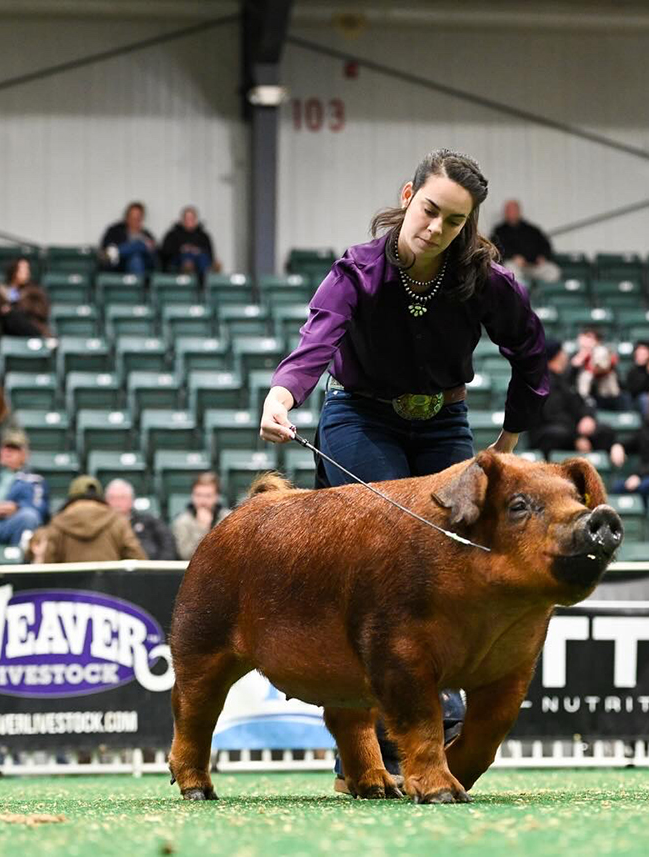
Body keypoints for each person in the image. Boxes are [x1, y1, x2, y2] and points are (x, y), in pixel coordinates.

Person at [259, 149, 547, 794]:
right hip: (359, 417)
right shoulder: (357, 271)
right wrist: (282, 395)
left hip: (445, 421)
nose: (437, 228)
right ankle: (370, 752)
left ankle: (426, 723)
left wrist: (509, 434)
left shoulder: (485, 280)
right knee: (391, 550)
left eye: (455, 221)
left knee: (457, 552)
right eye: (430, 210)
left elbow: (530, 350)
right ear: (408, 195)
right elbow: (317, 339)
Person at [528, 339, 615, 457]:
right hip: (549, 433)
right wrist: (577, 436)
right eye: (563, 352)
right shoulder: (542, 382)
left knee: (605, 431)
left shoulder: (565, 378)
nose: (566, 356)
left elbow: (582, 402)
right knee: (557, 434)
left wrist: (587, 417)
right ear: (557, 355)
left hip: (572, 429)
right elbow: (554, 416)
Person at [31, 476, 147, 563]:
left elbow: (46, 562)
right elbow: (138, 559)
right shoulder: (117, 520)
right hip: (110, 587)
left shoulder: (58, 522)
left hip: (69, 588)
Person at [488, 199, 560, 284]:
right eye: (508, 210)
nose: (511, 213)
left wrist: (543, 256)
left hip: (534, 266)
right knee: (510, 269)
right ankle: (522, 291)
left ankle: (541, 291)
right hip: (515, 266)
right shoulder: (499, 231)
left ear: (519, 211)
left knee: (553, 271)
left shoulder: (532, 229)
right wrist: (512, 257)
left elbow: (546, 245)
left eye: (513, 210)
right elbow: (495, 249)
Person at [106, 478, 178, 561]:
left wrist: (158, 565)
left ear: (131, 500)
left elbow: (168, 543)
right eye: (112, 498)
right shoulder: (103, 525)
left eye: (122, 497)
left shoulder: (149, 520)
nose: (117, 503)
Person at [0, 257, 50, 345]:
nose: (26, 273)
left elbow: (42, 311)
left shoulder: (35, 291)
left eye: (27, 269)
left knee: (13, 314)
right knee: (9, 315)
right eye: (22, 270)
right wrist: (2, 309)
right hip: (4, 331)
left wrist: (20, 306)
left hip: (30, 328)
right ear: (14, 271)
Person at [171, 472, 230, 560]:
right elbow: (186, 555)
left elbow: (229, 552)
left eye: (208, 496)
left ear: (216, 497)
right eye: (198, 495)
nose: (203, 501)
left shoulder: (227, 518)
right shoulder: (182, 522)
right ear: (192, 495)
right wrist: (202, 528)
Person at [569, 328, 623, 411]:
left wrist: (604, 368)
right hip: (582, 398)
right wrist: (577, 362)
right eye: (585, 338)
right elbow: (568, 379)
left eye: (590, 338)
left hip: (605, 395)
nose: (587, 342)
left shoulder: (603, 352)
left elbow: (613, 375)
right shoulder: (576, 355)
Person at [101, 201, 158, 275]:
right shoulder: (115, 231)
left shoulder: (147, 235)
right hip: (120, 264)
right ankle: (117, 252)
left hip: (142, 264)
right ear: (127, 217)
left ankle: (116, 252)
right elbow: (106, 246)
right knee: (140, 249)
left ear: (142, 218)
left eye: (138, 217)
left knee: (138, 254)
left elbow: (154, 258)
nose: (135, 220)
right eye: (132, 217)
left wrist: (148, 248)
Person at [160, 205, 218, 278]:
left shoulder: (203, 236)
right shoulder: (172, 235)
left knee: (202, 258)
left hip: (200, 261)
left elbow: (210, 254)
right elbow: (165, 253)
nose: (189, 221)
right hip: (179, 261)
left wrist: (197, 250)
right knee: (187, 258)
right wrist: (181, 249)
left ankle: (203, 279)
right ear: (182, 219)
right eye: (187, 218)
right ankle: (189, 273)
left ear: (195, 219)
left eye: (192, 218)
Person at [624, 339, 649, 416]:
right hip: (636, 401)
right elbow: (633, 390)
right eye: (638, 353)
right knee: (644, 398)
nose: (640, 355)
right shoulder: (633, 371)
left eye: (643, 353)